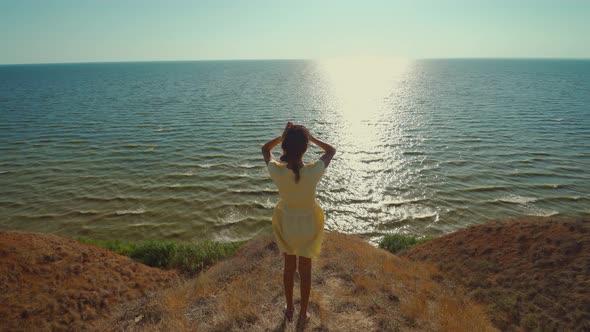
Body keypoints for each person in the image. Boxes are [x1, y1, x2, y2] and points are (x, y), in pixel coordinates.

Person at [261, 122, 336, 327]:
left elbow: (265, 149)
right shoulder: (313, 171)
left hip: (287, 225)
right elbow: (331, 150)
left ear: (285, 148)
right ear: (305, 148)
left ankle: (289, 308)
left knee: (288, 267)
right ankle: (303, 313)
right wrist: (311, 137)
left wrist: (282, 135)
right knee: (305, 271)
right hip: (308, 226)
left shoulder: (277, 172)